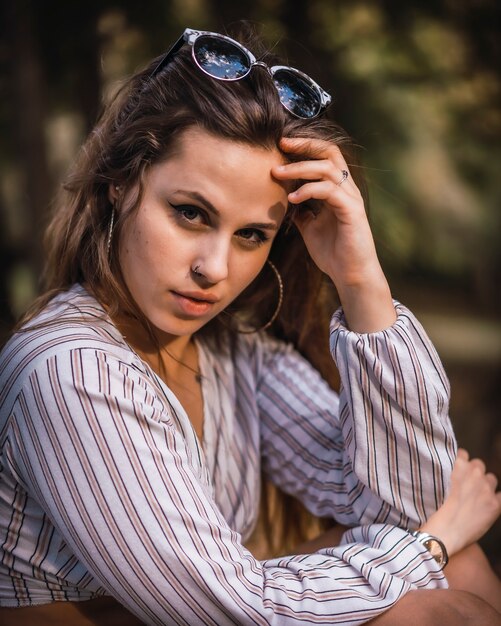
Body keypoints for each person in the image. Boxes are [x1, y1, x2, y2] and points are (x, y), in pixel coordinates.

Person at [0, 25, 500, 626]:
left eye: (251, 235)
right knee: (448, 594)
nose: (213, 269)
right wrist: (428, 547)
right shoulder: (70, 371)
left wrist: (360, 279)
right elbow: (234, 612)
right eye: (189, 213)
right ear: (121, 182)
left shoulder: (235, 356)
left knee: (460, 567)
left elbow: (407, 499)